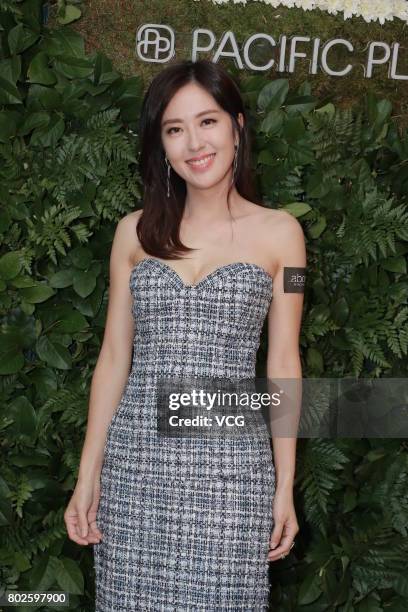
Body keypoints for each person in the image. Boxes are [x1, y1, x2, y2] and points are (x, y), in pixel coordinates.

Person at [64, 58, 305, 610]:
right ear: (161, 146)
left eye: (208, 121)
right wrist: (88, 473)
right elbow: (113, 356)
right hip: (133, 472)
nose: (194, 142)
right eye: (174, 129)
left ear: (237, 126)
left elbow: (285, 360)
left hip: (231, 475)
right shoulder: (134, 232)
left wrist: (285, 482)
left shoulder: (284, 237)